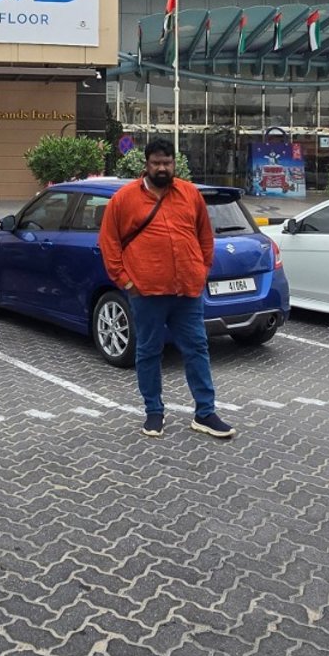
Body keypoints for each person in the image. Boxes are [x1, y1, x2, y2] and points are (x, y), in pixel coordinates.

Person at [97, 138, 236, 441]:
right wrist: (127, 282)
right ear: (146, 165)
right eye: (157, 163)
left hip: (187, 291)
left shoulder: (189, 194)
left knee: (197, 348)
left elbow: (205, 237)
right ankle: (154, 411)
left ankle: (205, 413)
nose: (162, 167)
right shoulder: (124, 199)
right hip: (146, 292)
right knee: (148, 352)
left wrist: (200, 272)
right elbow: (109, 245)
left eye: (167, 162)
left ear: (174, 163)